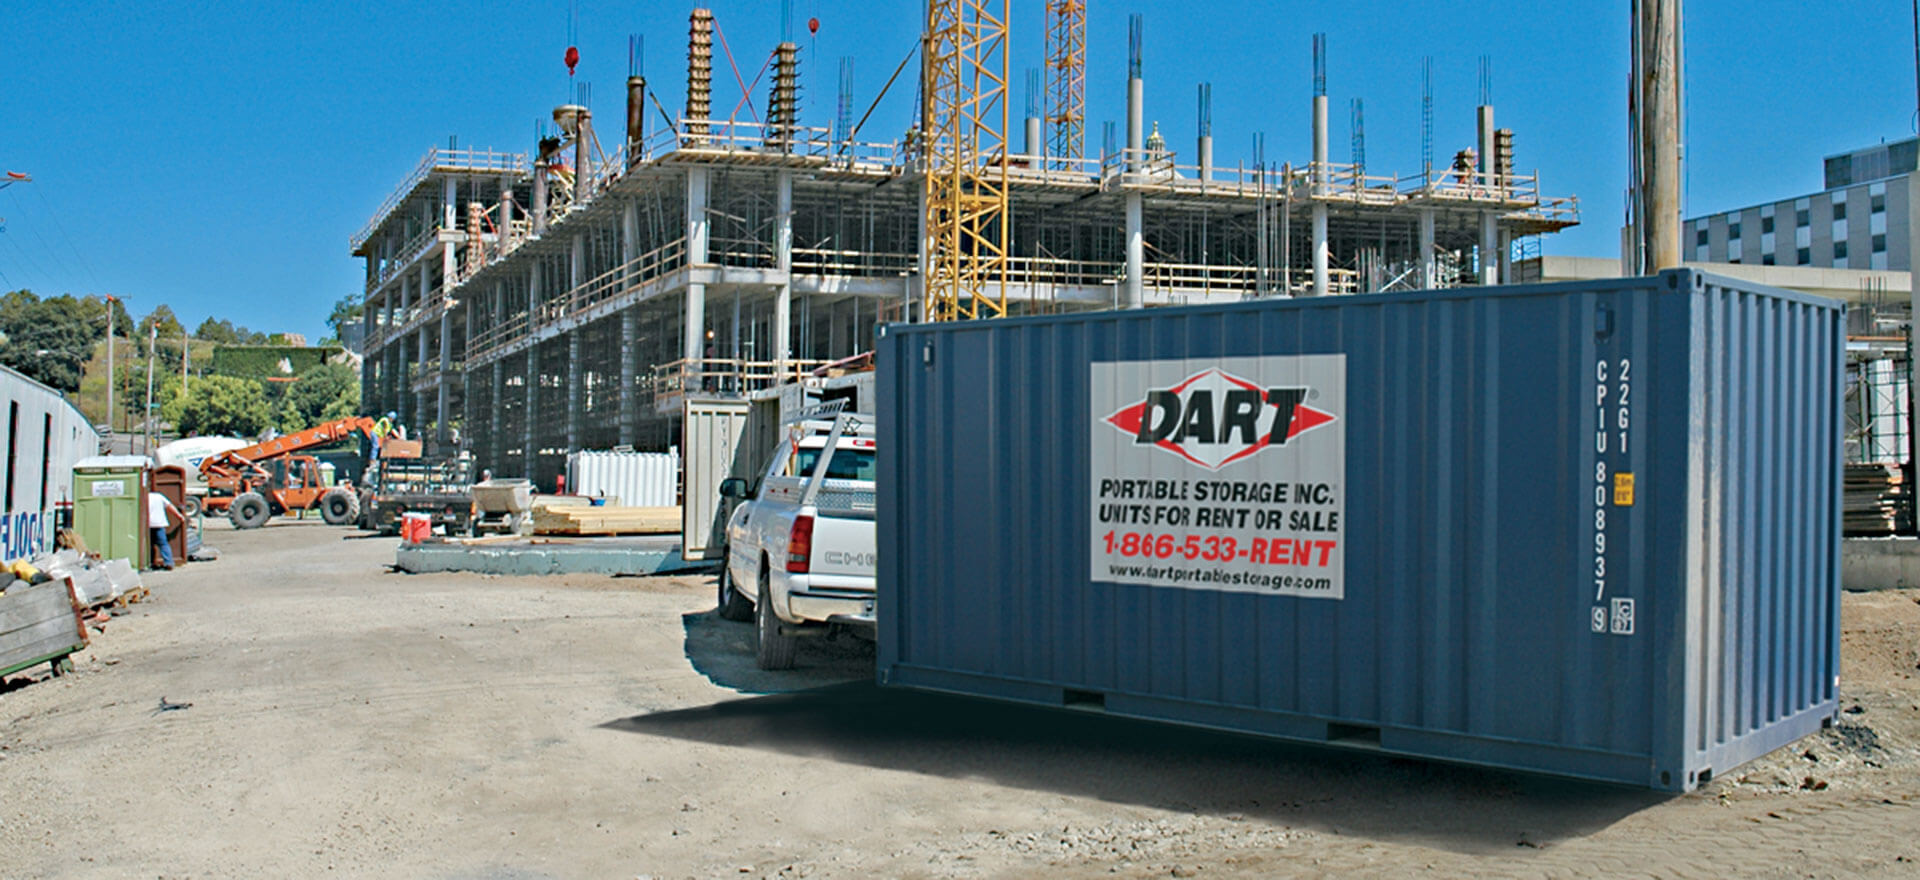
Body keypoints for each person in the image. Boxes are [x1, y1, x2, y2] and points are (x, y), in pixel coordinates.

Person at [147, 490, 184, 571]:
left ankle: (151, 563)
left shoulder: (144, 497)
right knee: (163, 544)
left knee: (149, 545)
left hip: (148, 524)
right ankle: (169, 563)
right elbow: (170, 506)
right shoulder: (159, 496)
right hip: (159, 523)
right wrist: (179, 516)